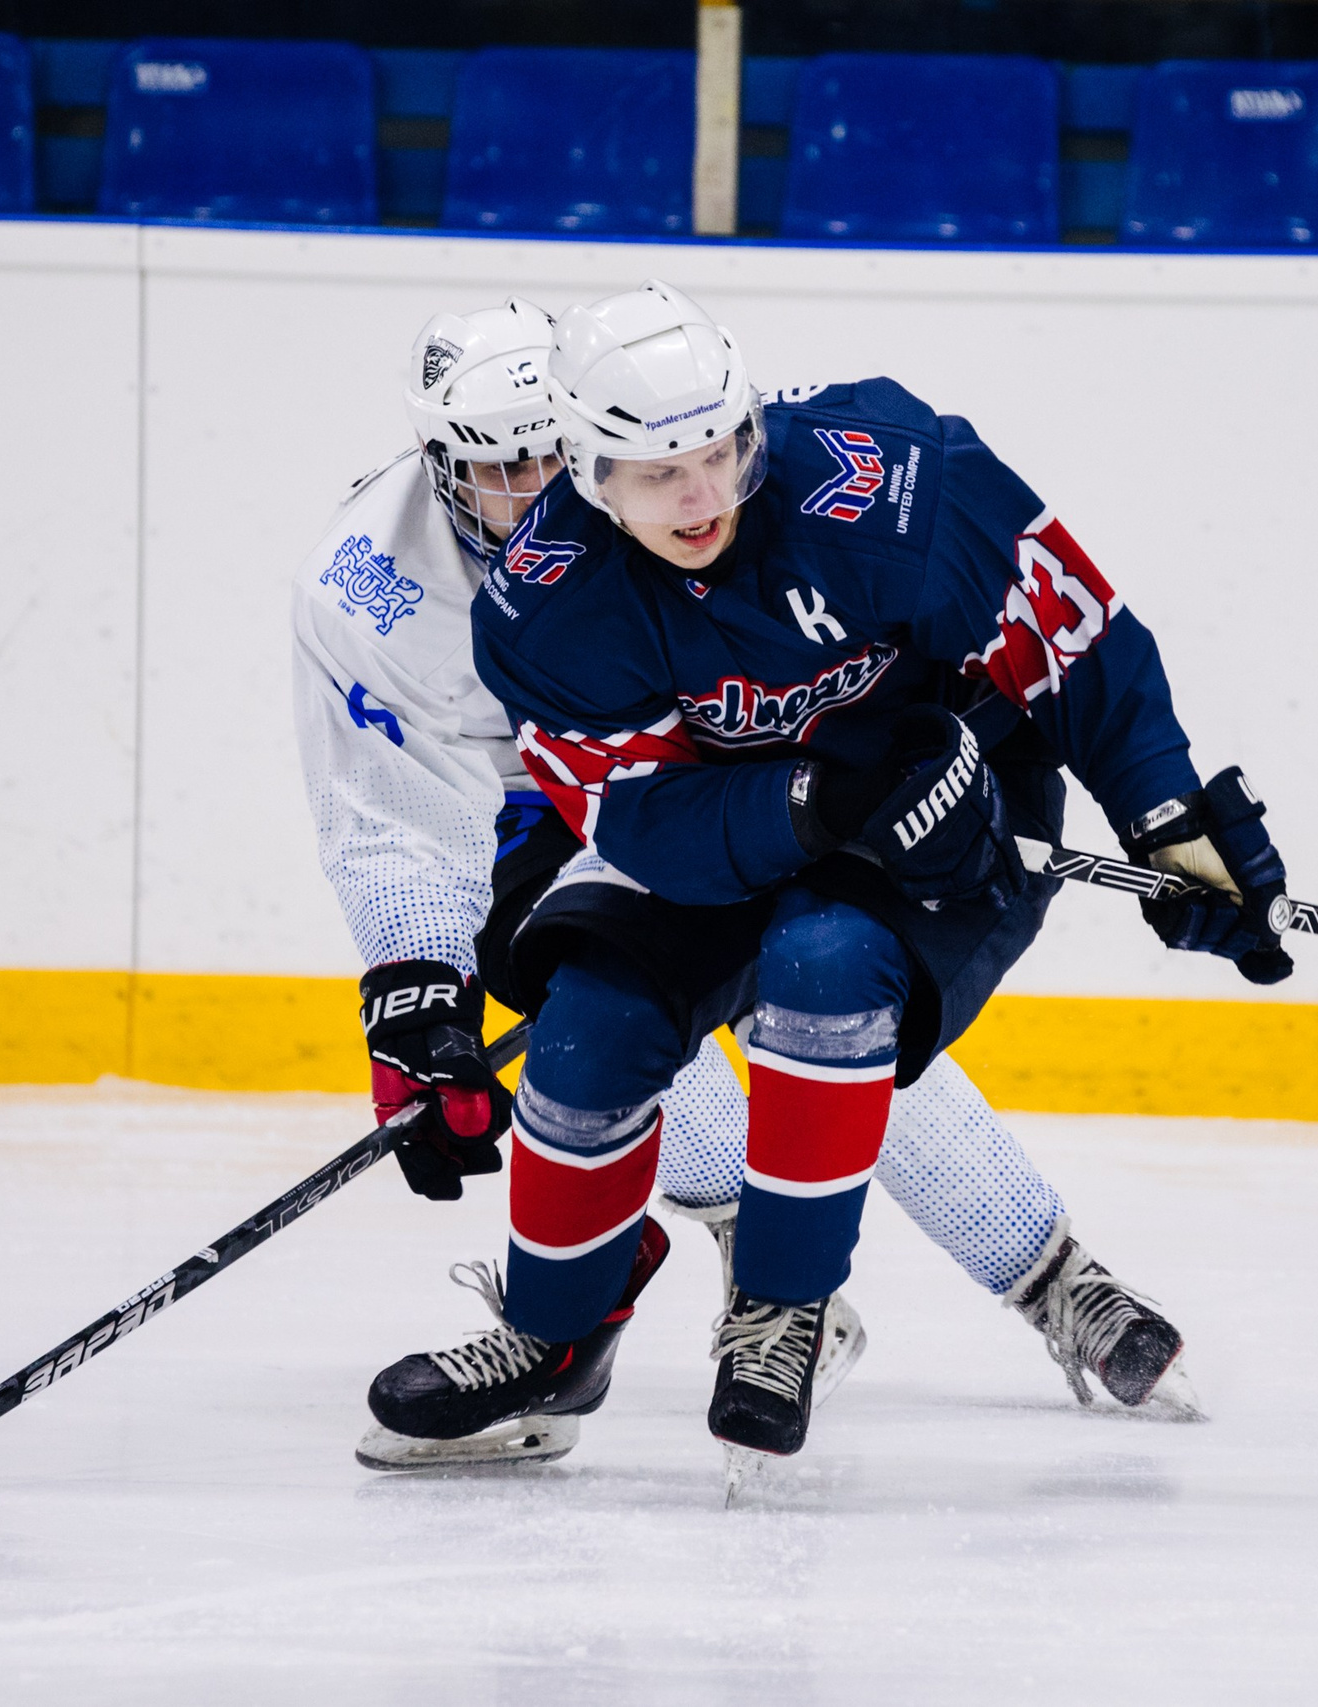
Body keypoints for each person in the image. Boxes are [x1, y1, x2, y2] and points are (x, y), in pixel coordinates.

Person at [291, 296, 1197, 1470]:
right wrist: (417, 987)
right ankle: (617, 1291)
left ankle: (1033, 1272)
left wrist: (1159, 804)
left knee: (826, 987)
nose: (522, 484)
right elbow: (393, 813)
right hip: (572, 802)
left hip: (781, 751)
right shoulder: (373, 588)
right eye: (491, 463)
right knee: (597, 1011)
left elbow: (1049, 624)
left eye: (537, 454)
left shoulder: (709, 496)